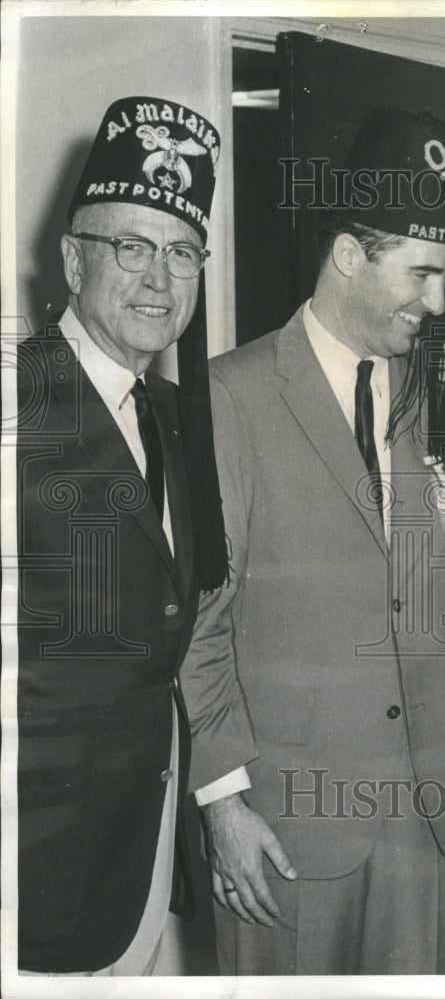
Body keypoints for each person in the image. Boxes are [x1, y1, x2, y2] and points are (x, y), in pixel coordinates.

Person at [178, 107, 445, 975]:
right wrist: (223, 803)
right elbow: (200, 621)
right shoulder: (227, 399)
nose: (438, 302)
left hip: (433, 825)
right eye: (423, 274)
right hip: (284, 830)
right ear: (351, 254)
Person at [15, 95, 227, 975]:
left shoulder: (178, 418)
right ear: (72, 258)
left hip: (142, 860)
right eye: (130, 247)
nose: (158, 281)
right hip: (30, 883)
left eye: (181, 253)